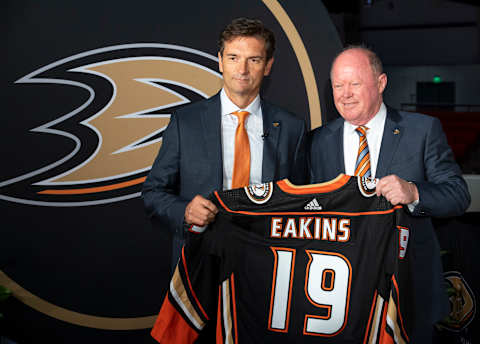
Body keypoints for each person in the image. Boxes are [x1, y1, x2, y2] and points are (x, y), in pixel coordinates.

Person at [308, 45, 471, 343]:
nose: (345, 94)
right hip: (337, 299)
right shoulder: (316, 141)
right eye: (338, 85)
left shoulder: (422, 130)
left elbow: (458, 195)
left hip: (408, 295)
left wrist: (414, 192)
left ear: (381, 83)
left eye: (355, 83)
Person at [142, 17, 307, 272]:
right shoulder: (185, 123)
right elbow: (153, 193)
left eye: (253, 60)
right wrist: (185, 211)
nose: (242, 70)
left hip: (268, 267)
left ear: (268, 66)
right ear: (220, 61)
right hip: (201, 263)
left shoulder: (291, 129)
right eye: (233, 58)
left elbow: (302, 203)